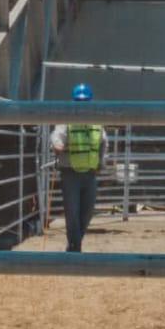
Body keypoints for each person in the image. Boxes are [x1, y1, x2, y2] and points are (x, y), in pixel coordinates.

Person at [51, 83, 106, 253]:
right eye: (79, 101)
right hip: (70, 173)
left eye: (85, 101)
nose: (82, 104)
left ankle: (74, 244)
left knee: (87, 212)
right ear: (74, 102)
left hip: (90, 174)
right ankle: (75, 248)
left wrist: (101, 163)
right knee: (72, 213)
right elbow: (56, 137)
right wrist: (57, 145)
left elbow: (103, 142)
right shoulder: (66, 121)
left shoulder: (96, 123)